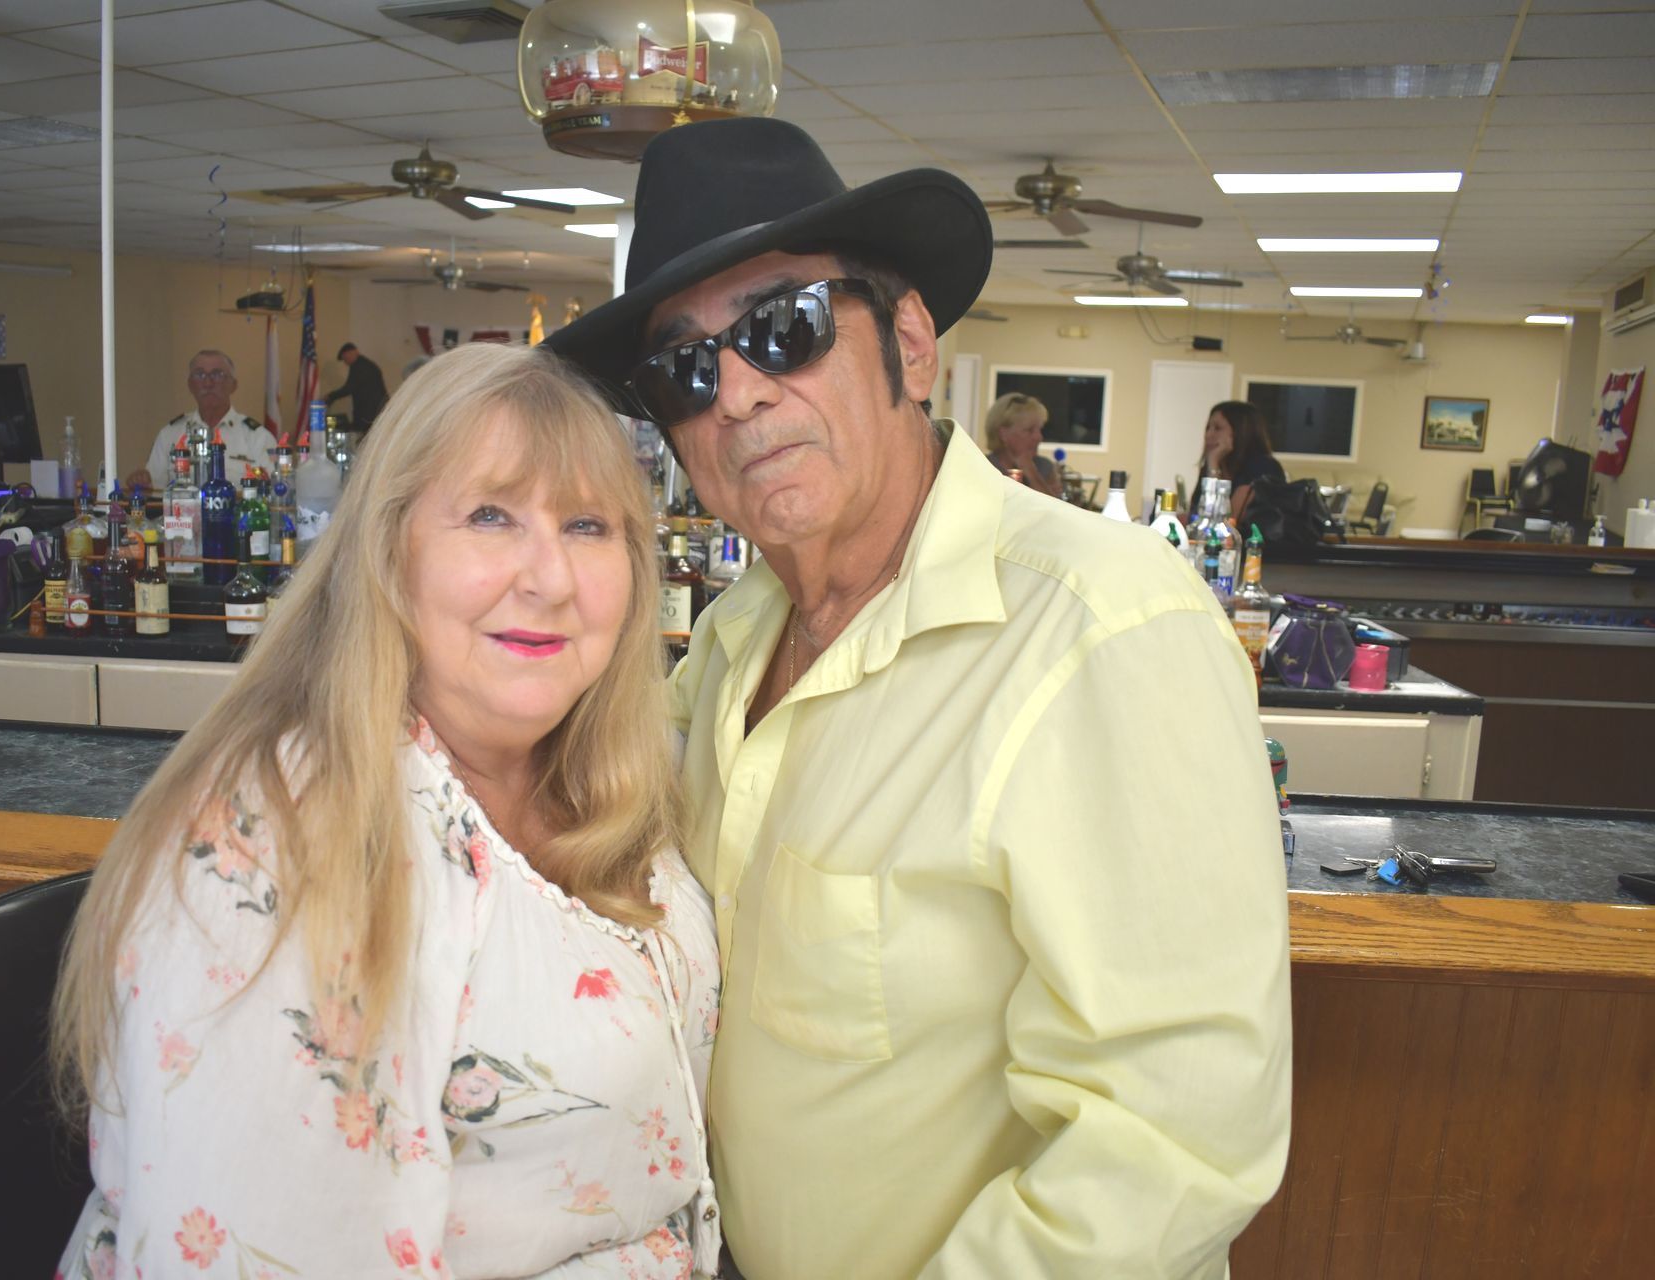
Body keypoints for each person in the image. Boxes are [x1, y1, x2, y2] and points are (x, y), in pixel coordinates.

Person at [548, 118, 1290, 1280]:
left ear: (909, 342)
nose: (734, 393)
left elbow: (1172, 1135)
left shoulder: (1103, 626)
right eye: (684, 368)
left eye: (784, 327)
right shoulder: (737, 634)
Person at [51, 342, 721, 1279]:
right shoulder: (285, 845)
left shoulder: (606, 779)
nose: (552, 577)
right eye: (490, 516)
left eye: (587, 525)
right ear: (387, 550)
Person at [126, 350, 279, 494]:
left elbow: (275, 490)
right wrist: (142, 482)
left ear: (233, 385)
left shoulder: (257, 437)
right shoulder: (170, 434)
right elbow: (154, 491)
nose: (208, 383)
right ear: (190, 385)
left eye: (217, 374)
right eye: (200, 375)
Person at [1193, 399, 1286, 525]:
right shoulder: (1215, 465)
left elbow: (1225, 522)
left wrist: (1213, 466)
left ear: (1240, 432)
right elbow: (1195, 514)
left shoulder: (1263, 467)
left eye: (1217, 428)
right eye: (1208, 428)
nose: (1208, 435)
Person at [981, 391, 1063, 498]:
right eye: (1029, 430)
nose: (1039, 437)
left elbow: (1053, 507)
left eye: (1040, 429)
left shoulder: (1044, 467)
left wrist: (1031, 473)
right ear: (1003, 434)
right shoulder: (984, 467)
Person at [324, 341, 391, 432]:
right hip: (377, 411)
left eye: (345, 358)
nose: (345, 362)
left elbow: (349, 388)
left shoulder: (358, 366)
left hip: (369, 414)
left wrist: (330, 396)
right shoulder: (366, 364)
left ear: (353, 352)